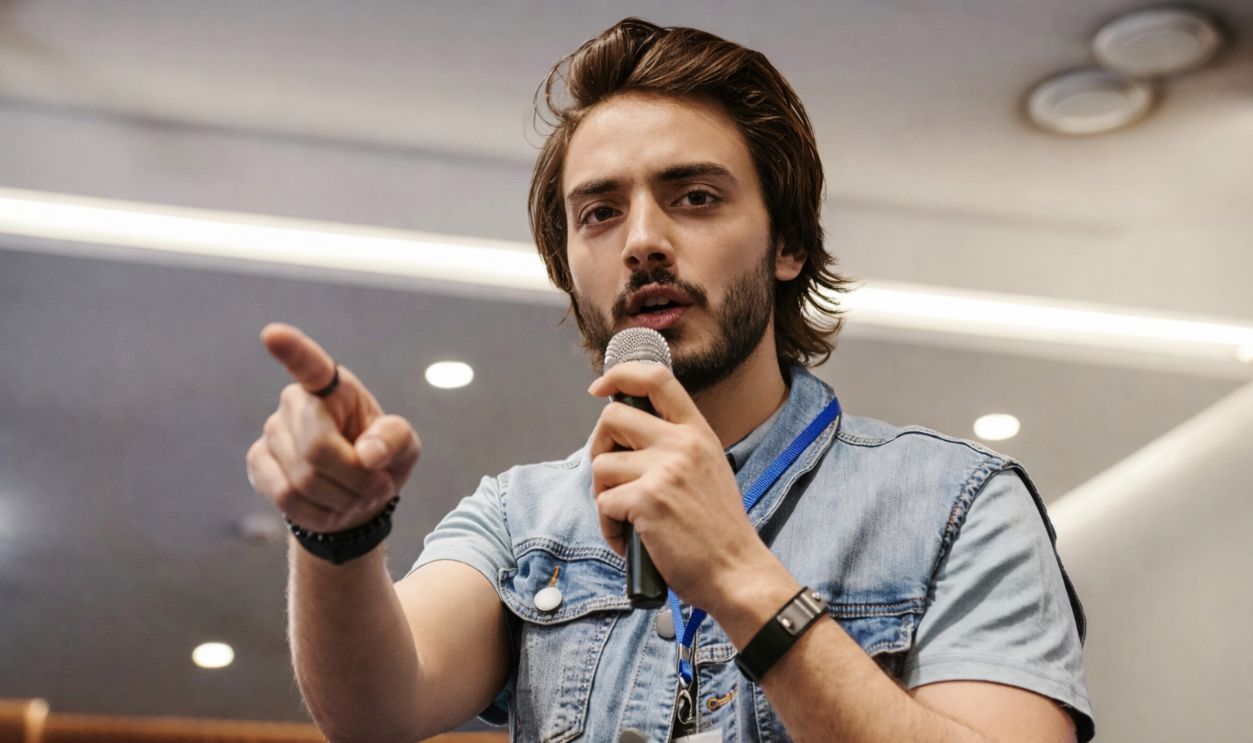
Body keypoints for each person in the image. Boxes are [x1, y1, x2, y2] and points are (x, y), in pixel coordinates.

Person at [246, 18, 1094, 743]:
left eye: (693, 197)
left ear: (788, 245)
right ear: (570, 268)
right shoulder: (523, 519)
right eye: (600, 212)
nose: (642, 239)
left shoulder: (955, 502)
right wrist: (338, 536)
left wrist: (736, 572)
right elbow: (375, 709)